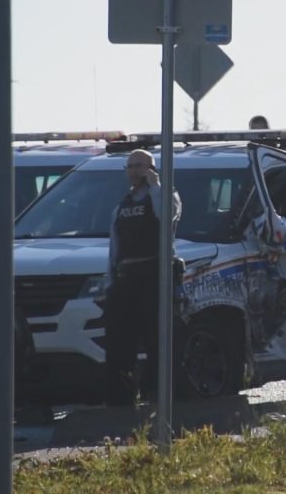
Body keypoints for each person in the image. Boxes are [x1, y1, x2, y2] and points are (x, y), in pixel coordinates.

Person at [104, 149, 181, 406]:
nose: (134, 170)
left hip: (155, 277)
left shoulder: (165, 195)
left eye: (140, 165)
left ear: (152, 168)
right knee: (119, 343)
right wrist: (110, 281)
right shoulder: (122, 204)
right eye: (130, 166)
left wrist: (156, 185)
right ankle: (122, 400)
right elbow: (114, 246)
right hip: (126, 279)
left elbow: (166, 215)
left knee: (157, 339)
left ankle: (159, 397)